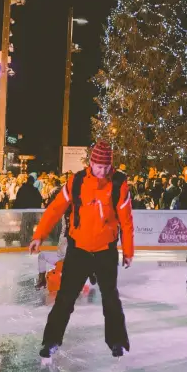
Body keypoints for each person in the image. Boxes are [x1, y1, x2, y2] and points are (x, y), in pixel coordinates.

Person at [28, 141, 133, 359]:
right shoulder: (76, 181)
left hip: (106, 250)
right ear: (91, 163)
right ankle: (51, 341)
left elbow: (126, 220)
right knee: (65, 298)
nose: (102, 171)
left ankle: (116, 341)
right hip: (79, 250)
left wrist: (128, 250)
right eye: (98, 166)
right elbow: (55, 209)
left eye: (106, 167)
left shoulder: (119, 184)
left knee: (110, 298)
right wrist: (39, 235)